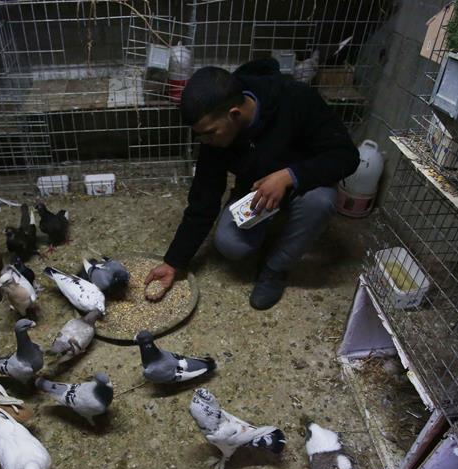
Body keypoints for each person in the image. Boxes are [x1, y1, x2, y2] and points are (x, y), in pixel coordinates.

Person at [144, 61, 360, 309]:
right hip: (255, 193)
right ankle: (268, 229)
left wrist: (289, 176)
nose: (204, 140)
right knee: (229, 245)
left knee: (321, 202)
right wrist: (174, 261)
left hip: (303, 186)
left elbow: (347, 156)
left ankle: (275, 268)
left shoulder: (298, 99)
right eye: (199, 135)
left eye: (209, 133)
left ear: (234, 114)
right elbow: (203, 199)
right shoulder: (214, 135)